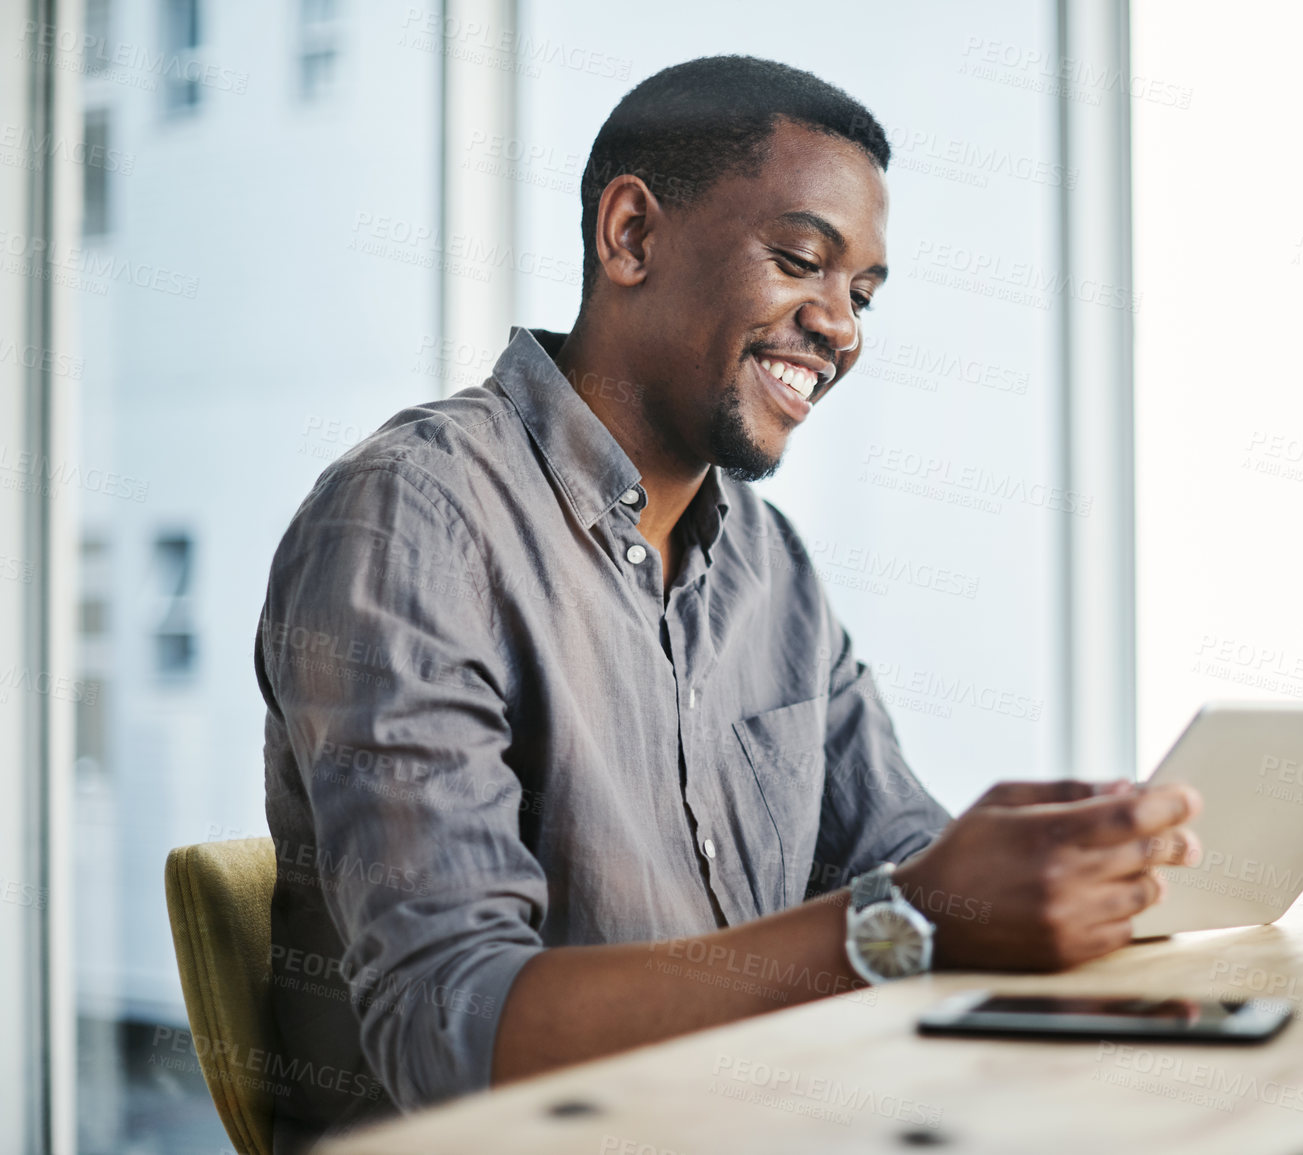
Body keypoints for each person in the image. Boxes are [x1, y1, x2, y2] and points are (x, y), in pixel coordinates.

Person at [256, 54, 1201, 1154]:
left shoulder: (769, 567)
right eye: (802, 261)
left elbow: (900, 862)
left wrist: (1056, 886)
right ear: (631, 237)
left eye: (861, 295)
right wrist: (918, 920)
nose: (841, 328)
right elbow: (453, 1034)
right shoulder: (410, 523)